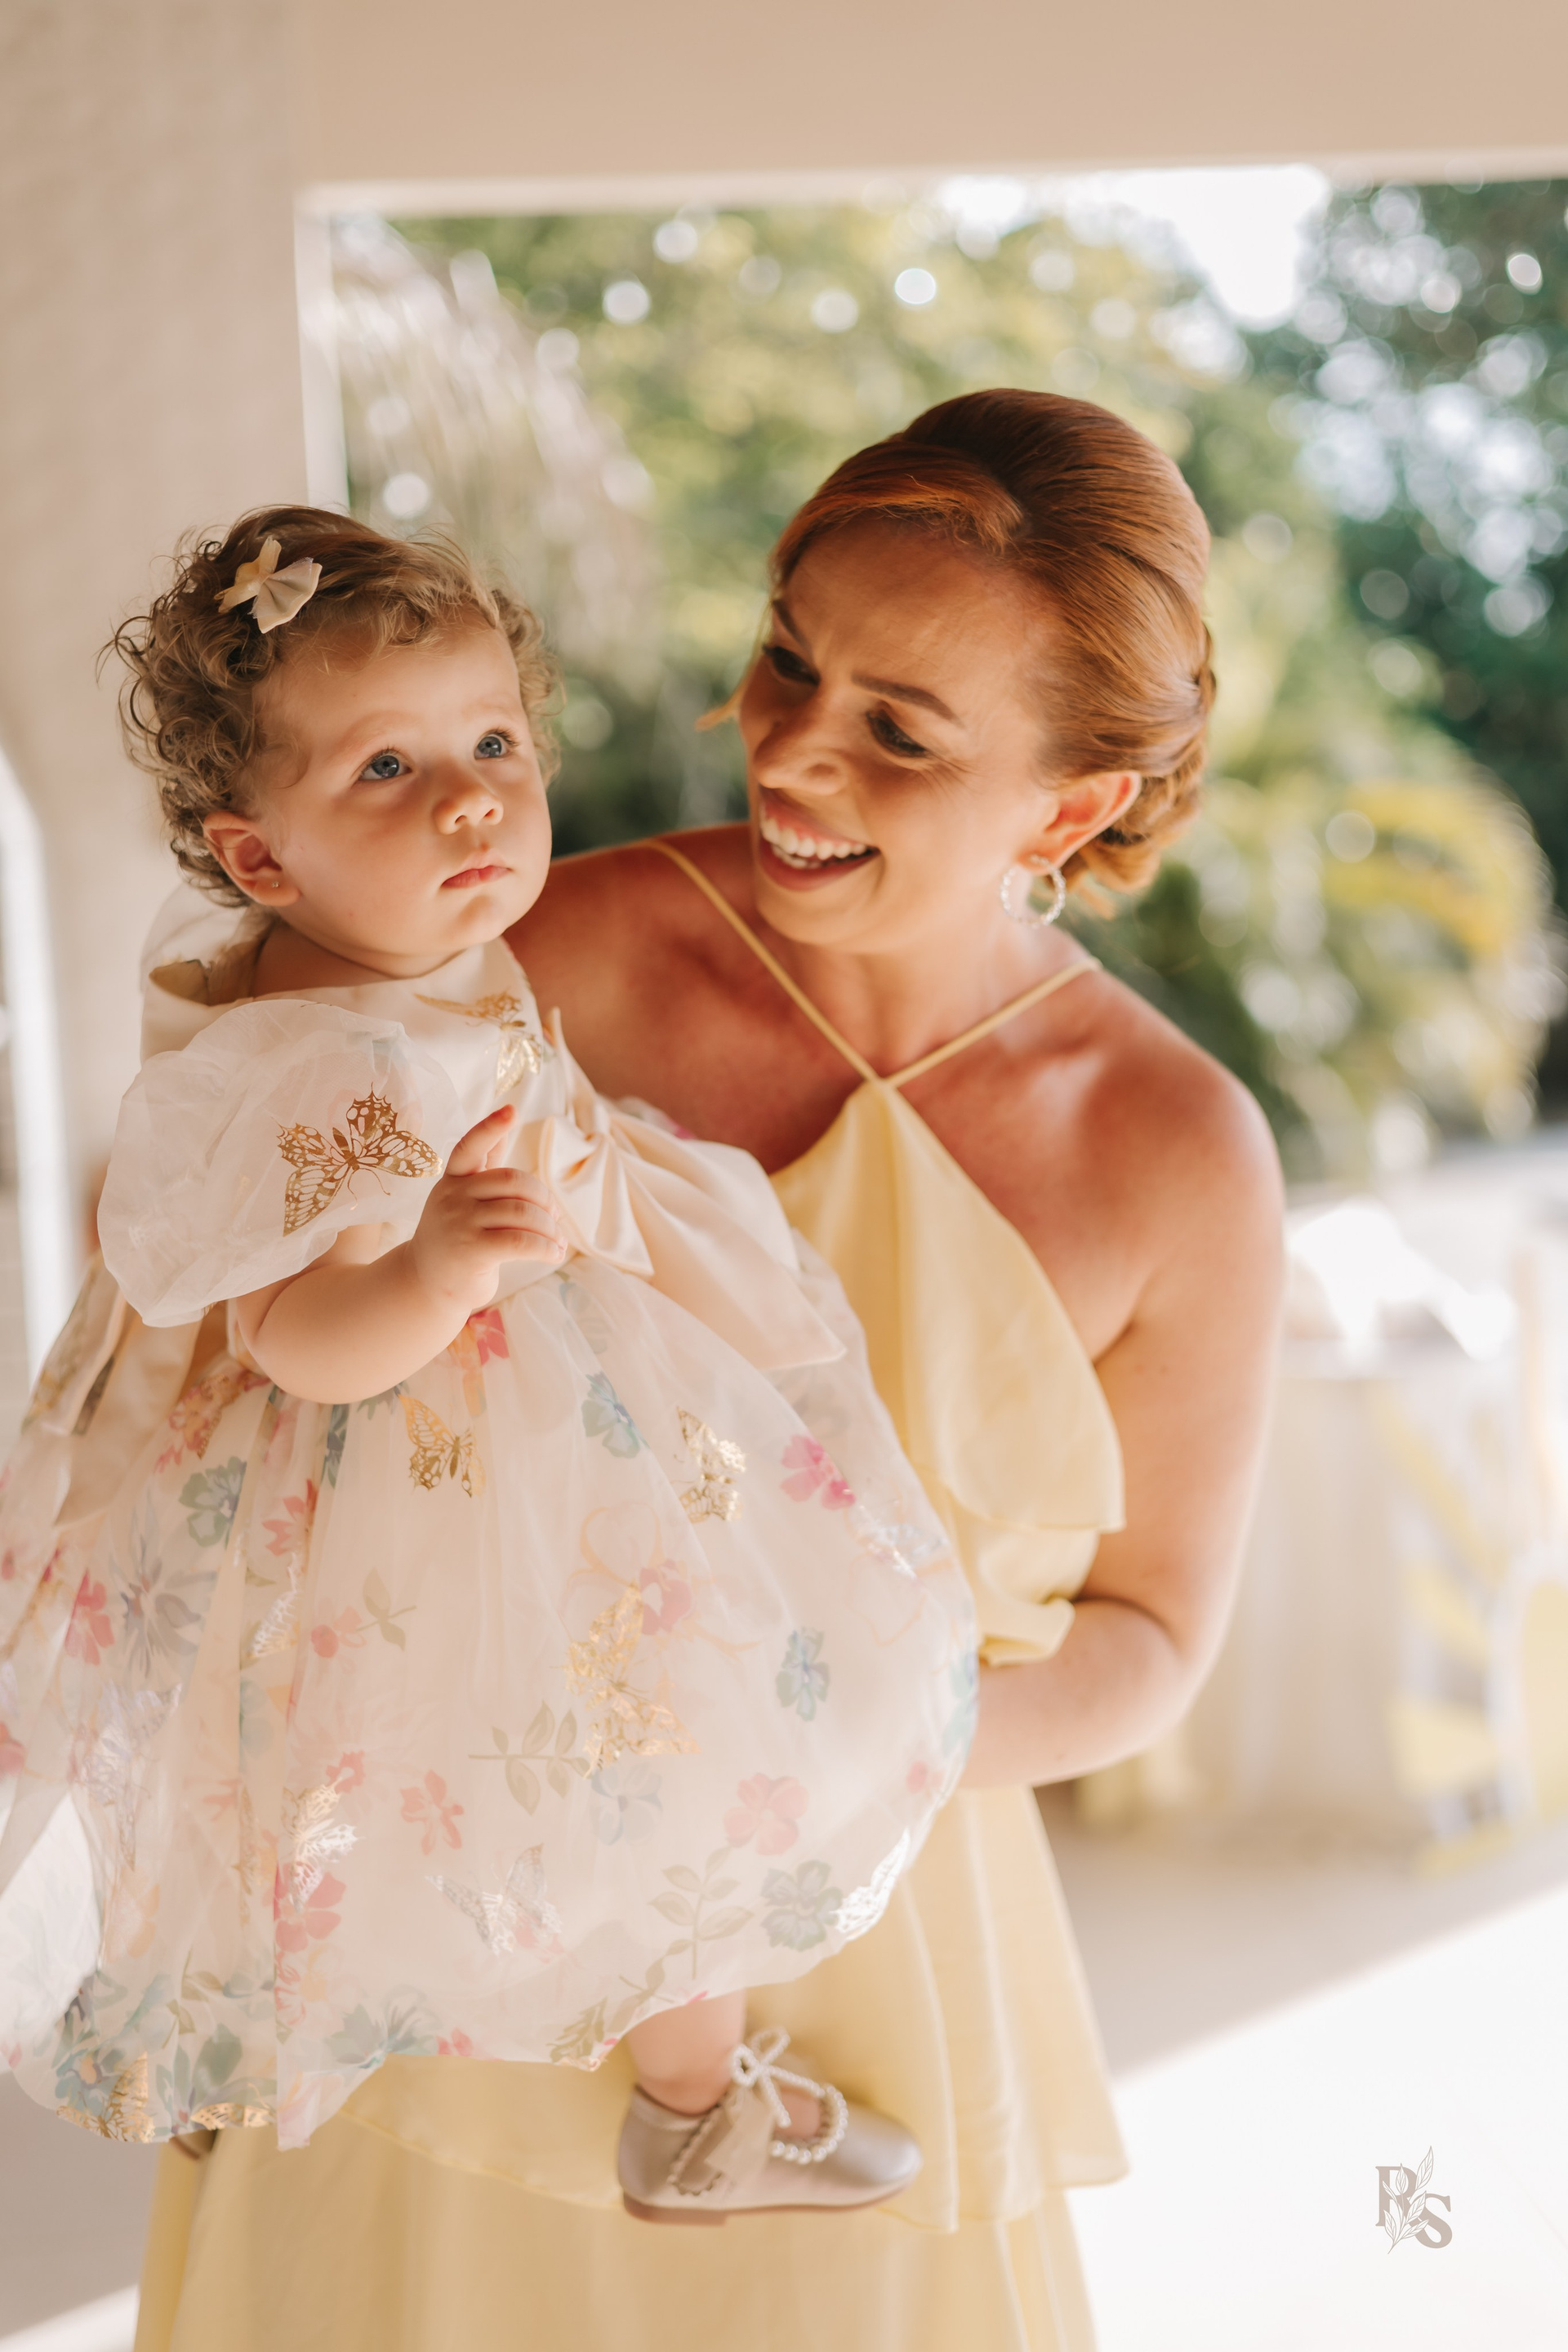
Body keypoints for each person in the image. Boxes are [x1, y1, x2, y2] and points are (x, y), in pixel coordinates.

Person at [133, 390, 1281, 2351]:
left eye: (900, 732)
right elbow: (233, 1323)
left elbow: (1154, 1638)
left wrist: (785, 1751)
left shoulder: (1174, 1151)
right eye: (788, 657)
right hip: (449, 1940)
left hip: (870, 1992)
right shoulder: (515, 957)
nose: (787, 747)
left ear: (1070, 810)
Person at [0, 510, 978, 2219]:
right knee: (584, 1754)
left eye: (495, 745)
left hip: (556, 1393)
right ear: (259, 858)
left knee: (659, 1732)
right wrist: (435, 1271)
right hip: (414, 1455)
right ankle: (687, 2110)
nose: (470, 803)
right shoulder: (321, 1064)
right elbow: (294, 1337)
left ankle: (660, 2087)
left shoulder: (399, 938)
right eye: (387, 767)